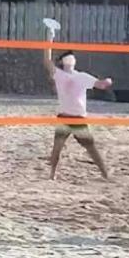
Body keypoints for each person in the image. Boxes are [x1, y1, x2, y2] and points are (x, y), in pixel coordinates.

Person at [42, 38, 114, 180]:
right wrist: (49, 40)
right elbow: (47, 60)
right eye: (67, 56)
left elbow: (100, 85)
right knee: (57, 149)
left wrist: (107, 82)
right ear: (63, 62)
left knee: (90, 148)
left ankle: (105, 174)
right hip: (65, 117)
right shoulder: (60, 75)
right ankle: (52, 176)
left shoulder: (82, 76)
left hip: (78, 118)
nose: (70, 57)